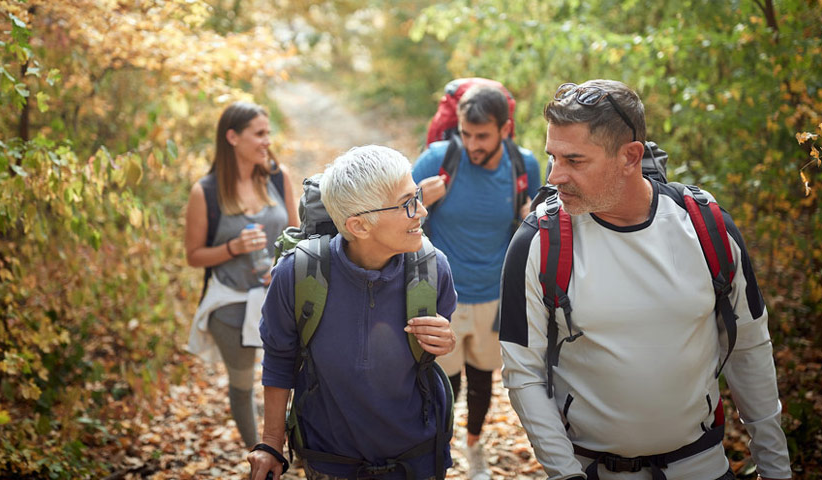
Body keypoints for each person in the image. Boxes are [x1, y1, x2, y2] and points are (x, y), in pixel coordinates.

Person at [499, 79, 792, 480]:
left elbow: (749, 347)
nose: (555, 176)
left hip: (703, 467)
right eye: (552, 157)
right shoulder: (539, 241)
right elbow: (523, 374)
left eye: (574, 160)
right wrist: (565, 474)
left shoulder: (706, 229)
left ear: (630, 156)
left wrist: (776, 469)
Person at [247, 145, 459, 480]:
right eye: (407, 203)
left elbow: (429, 355)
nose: (421, 211)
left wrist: (445, 341)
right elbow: (279, 357)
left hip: (417, 460)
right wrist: (271, 443)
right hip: (329, 462)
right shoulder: (296, 275)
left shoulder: (433, 270)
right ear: (359, 226)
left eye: (417, 196)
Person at [412, 84, 541, 480]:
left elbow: (537, 230)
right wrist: (418, 198)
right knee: (445, 382)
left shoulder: (524, 166)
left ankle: (473, 447)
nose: (471, 145)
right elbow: (392, 216)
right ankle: (441, 448)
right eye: (465, 134)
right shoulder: (437, 159)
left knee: (483, 379)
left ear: (505, 128)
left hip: (496, 296)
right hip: (442, 297)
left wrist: (531, 217)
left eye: (482, 136)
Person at [185, 101, 300, 449]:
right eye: (259, 133)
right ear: (232, 137)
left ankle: (299, 447)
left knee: (297, 376)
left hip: (280, 299)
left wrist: (281, 267)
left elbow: (298, 236)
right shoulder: (205, 192)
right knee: (242, 385)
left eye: (268, 133)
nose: (268, 141)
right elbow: (194, 256)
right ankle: (262, 458)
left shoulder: (278, 178)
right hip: (230, 303)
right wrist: (233, 247)